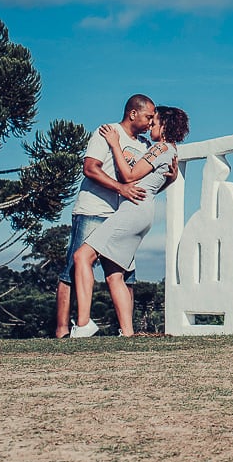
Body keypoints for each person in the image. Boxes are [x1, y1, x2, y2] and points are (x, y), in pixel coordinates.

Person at [70, 106, 190, 337]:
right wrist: (172, 180)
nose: (150, 125)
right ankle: (128, 332)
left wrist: (115, 143)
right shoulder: (170, 150)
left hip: (132, 211)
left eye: (154, 122)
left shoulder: (161, 147)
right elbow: (154, 185)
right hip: (143, 210)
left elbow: (129, 176)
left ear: (164, 125)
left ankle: (83, 325)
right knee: (115, 274)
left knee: (81, 256)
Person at [54, 94, 160, 338]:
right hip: (93, 210)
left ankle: (127, 331)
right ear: (133, 113)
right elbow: (90, 168)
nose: (151, 121)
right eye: (148, 116)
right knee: (74, 268)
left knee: (125, 274)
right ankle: (62, 331)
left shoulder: (145, 145)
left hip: (122, 216)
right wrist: (120, 188)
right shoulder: (107, 132)